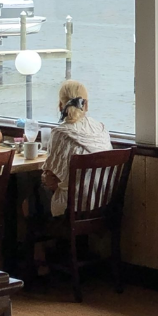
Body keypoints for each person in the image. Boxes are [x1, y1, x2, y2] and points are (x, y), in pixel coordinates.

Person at [39, 80, 113, 217]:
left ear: (60, 105)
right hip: (103, 203)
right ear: (86, 105)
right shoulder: (101, 128)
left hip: (73, 208)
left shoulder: (60, 133)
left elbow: (51, 176)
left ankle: (45, 236)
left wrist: (45, 179)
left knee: (31, 196)